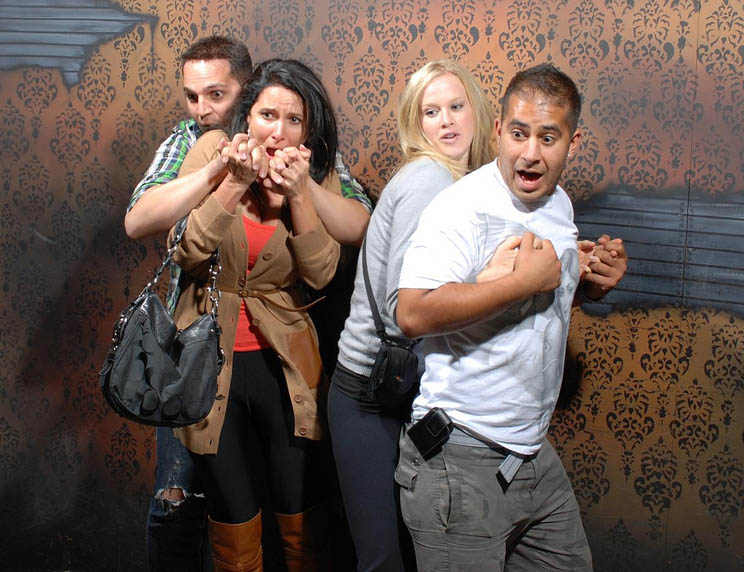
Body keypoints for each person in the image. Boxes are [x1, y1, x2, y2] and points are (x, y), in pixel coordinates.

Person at [125, 37, 370, 571]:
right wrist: (232, 184)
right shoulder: (209, 148)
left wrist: (301, 194)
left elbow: (323, 272)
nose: (277, 131)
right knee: (228, 514)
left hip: (286, 363)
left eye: (292, 120)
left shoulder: (317, 170)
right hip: (209, 363)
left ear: (308, 129)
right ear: (248, 115)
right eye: (267, 116)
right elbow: (186, 250)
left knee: (300, 512)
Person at [394, 63, 628, 571]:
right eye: (519, 134)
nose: (530, 153)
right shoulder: (461, 207)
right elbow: (410, 313)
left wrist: (588, 285)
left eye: (548, 137)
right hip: (461, 452)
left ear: (573, 142)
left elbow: (538, 304)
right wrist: (520, 282)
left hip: (530, 452)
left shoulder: (558, 203)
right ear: (499, 130)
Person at [328, 60, 497, 571]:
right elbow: (406, 308)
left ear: (476, 110)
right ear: (415, 123)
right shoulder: (429, 178)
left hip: (405, 392)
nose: (446, 121)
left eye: (456, 106)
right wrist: (507, 282)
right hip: (370, 393)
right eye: (431, 111)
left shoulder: (464, 183)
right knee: (384, 559)